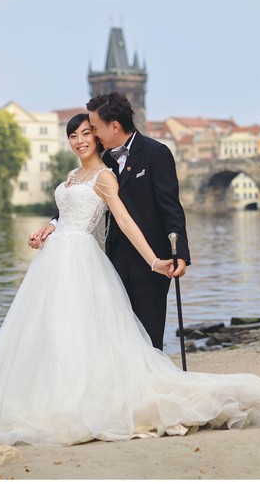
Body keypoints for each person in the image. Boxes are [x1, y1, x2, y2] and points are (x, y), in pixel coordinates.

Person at [0, 113, 260, 447]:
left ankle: (79, 401)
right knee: (53, 329)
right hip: (54, 261)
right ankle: (52, 394)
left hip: (82, 261)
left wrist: (155, 260)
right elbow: (65, 215)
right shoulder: (70, 177)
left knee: (83, 331)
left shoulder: (105, 177)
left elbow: (126, 223)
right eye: (73, 136)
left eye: (85, 133)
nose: (79, 141)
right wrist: (47, 229)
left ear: (97, 137)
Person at [29, 92, 188, 350]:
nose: (92, 135)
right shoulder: (103, 162)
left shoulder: (155, 153)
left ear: (114, 126)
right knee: (114, 334)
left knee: (148, 334)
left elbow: (171, 209)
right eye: (80, 133)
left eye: (94, 129)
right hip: (111, 260)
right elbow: (80, 201)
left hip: (150, 258)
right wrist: (52, 225)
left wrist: (179, 252)